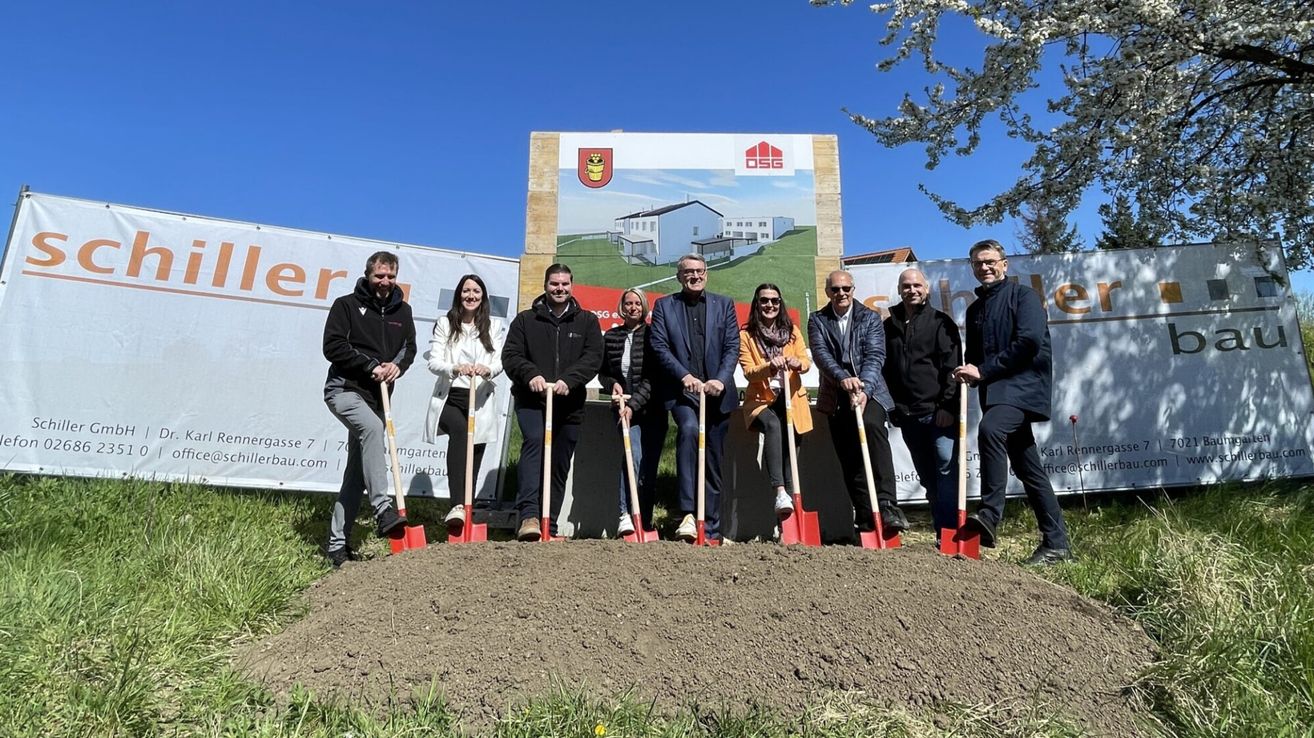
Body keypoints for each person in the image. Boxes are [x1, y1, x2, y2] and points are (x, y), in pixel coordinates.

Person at [953, 239, 1072, 565]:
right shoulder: (975, 309)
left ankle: (990, 515)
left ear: (1005, 264)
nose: (985, 268)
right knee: (1029, 469)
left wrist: (984, 370)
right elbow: (976, 356)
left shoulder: (1024, 297)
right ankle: (1057, 544)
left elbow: (1030, 341)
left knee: (991, 430)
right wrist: (967, 370)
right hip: (995, 393)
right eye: (978, 263)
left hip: (1021, 388)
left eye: (990, 261)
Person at [321, 251, 417, 567]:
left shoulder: (403, 312)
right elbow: (333, 346)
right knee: (374, 430)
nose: (385, 282)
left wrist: (396, 367)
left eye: (390, 276)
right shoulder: (346, 306)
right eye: (379, 276)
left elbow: (409, 349)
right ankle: (382, 509)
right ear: (368, 275)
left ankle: (337, 547)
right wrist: (370, 366)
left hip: (377, 398)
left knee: (356, 476)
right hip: (345, 390)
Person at [501, 263, 603, 541]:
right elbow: (511, 356)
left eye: (564, 284)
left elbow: (593, 357)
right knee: (534, 444)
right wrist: (530, 374)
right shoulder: (525, 320)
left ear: (572, 286)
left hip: (569, 403)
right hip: (532, 401)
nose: (559, 289)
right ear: (545, 286)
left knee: (559, 462)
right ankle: (529, 516)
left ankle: (551, 523)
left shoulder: (587, 321)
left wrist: (569, 380)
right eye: (554, 284)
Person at [808, 269, 909, 539]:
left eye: (846, 289)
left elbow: (876, 354)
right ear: (828, 292)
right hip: (836, 394)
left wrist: (863, 386)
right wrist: (843, 379)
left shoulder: (870, 317)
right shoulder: (818, 319)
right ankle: (865, 518)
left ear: (853, 290)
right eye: (835, 289)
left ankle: (888, 505)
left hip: (870, 391)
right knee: (851, 458)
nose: (841, 294)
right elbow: (821, 354)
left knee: (873, 430)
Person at [648, 253, 740, 543]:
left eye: (700, 271)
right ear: (679, 276)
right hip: (682, 393)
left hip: (717, 395)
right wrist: (683, 376)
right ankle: (688, 513)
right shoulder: (665, 306)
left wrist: (720, 380)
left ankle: (710, 526)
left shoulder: (724, 305)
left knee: (713, 458)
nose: (695, 276)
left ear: (707, 274)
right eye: (688, 272)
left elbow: (732, 346)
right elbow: (659, 345)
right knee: (688, 431)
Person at [883, 268, 962, 540]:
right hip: (908, 415)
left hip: (938, 413)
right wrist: (893, 406)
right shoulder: (889, 326)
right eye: (906, 286)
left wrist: (947, 407)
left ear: (926, 289)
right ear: (900, 290)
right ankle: (941, 528)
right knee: (928, 476)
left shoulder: (941, 323)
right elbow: (885, 370)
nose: (912, 290)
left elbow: (952, 368)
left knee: (945, 469)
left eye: (917, 285)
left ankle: (949, 532)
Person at [424, 273, 505, 535]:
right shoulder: (445, 324)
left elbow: (500, 361)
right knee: (460, 432)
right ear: (459, 294)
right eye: (466, 291)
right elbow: (433, 361)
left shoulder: (494, 326)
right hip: (452, 397)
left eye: (476, 291)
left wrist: (487, 369)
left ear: (483, 297)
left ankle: (465, 510)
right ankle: (457, 503)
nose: (471, 296)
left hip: (479, 398)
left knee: (476, 452)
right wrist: (455, 367)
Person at [738, 283, 812, 520]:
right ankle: (779, 491)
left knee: (792, 453)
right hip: (762, 401)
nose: (770, 305)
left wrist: (799, 364)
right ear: (756, 304)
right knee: (772, 425)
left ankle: (789, 519)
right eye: (764, 300)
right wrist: (770, 367)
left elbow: (804, 359)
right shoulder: (746, 335)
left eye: (775, 301)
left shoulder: (792, 332)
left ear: (780, 304)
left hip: (792, 399)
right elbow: (749, 372)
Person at [598, 288, 666, 536]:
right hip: (623, 409)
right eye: (628, 303)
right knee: (632, 459)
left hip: (652, 410)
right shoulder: (612, 336)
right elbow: (603, 372)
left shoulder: (653, 335)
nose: (633, 307)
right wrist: (611, 385)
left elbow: (654, 376)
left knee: (648, 467)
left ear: (644, 307)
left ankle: (645, 522)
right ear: (622, 307)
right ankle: (625, 513)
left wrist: (634, 404)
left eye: (638, 303)